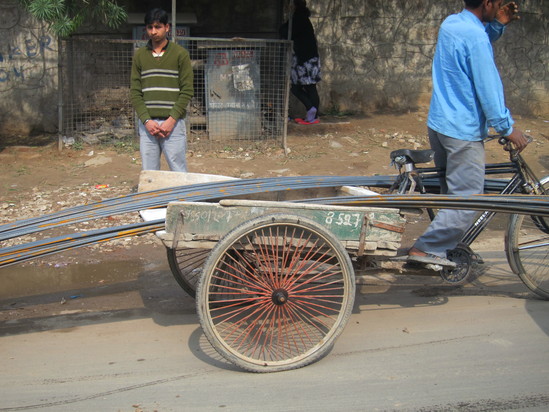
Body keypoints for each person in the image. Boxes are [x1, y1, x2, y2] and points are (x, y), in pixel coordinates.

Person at [407, 0, 530, 267]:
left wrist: (497, 25)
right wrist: (507, 127)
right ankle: (426, 248)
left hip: (440, 125)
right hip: (462, 131)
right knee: (468, 197)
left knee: (453, 193)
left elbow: (473, 44)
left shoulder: (452, 23)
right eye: (497, 4)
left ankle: (448, 247)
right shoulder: (474, 36)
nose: (500, 7)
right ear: (487, 3)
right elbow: (488, 87)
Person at [130, 8, 194, 172]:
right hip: (148, 125)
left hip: (173, 124)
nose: (153, 32)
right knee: (149, 171)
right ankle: (153, 198)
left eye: (158, 27)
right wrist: (146, 121)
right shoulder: (140, 56)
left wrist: (171, 121)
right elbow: (135, 92)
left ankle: (181, 198)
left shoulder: (180, 54)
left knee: (178, 169)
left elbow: (187, 90)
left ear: (167, 27)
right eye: (150, 27)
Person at [279, 0, 321, 125]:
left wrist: (284, 26)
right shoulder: (303, 18)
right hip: (311, 58)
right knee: (310, 88)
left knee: (296, 88)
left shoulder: (298, 19)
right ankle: (313, 115)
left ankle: (311, 110)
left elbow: (285, 32)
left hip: (304, 60)